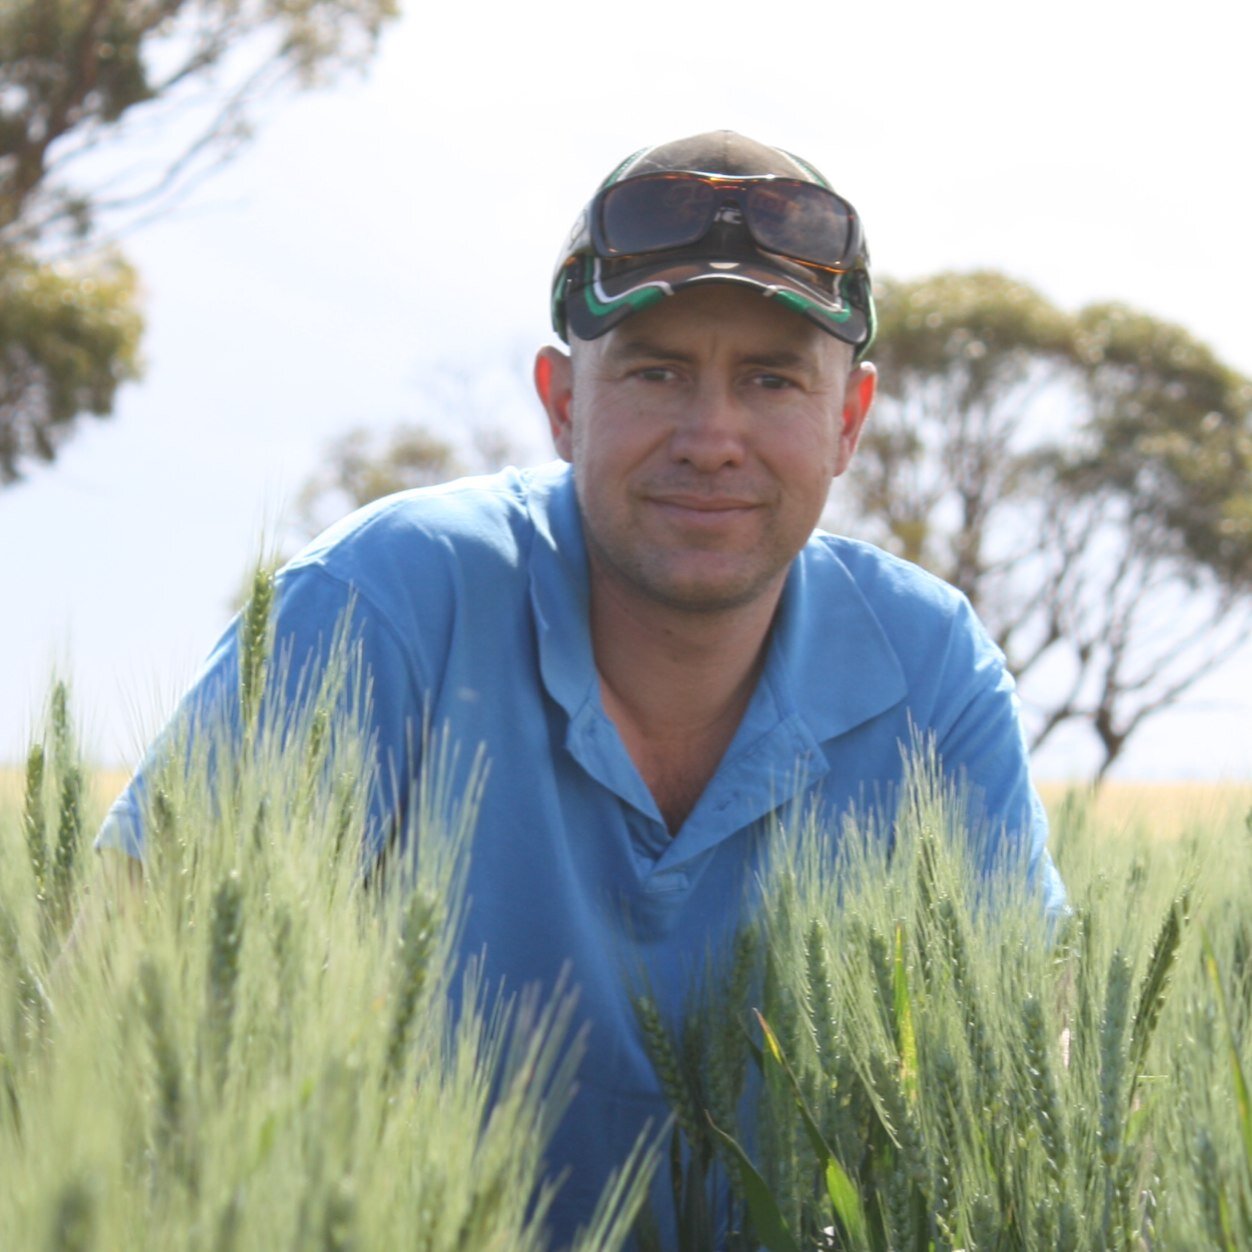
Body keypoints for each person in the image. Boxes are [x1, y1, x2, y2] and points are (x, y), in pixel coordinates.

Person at [99, 130, 1065, 1245]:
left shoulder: (929, 669)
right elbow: (125, 999)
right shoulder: (386, 601)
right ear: (562, 402)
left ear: (846, 421)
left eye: (770, 380)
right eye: (656, 371)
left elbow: (1029, 1081)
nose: (712, 438)